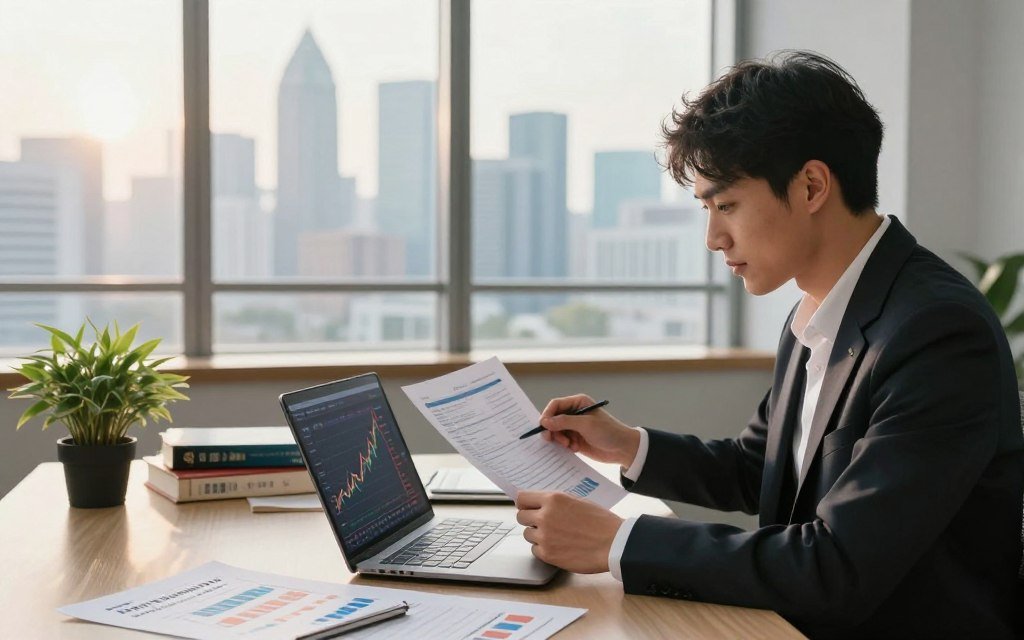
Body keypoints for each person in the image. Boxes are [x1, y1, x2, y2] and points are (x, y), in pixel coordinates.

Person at [514, 50, 1024, 639]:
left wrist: (619, 541)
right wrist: (627, 445)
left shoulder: (936, 331)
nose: (713, 237)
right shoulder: (820, 309)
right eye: (706, 209)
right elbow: (762, 468)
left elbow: (837, 567)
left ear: (811, 186)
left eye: (726, 205)